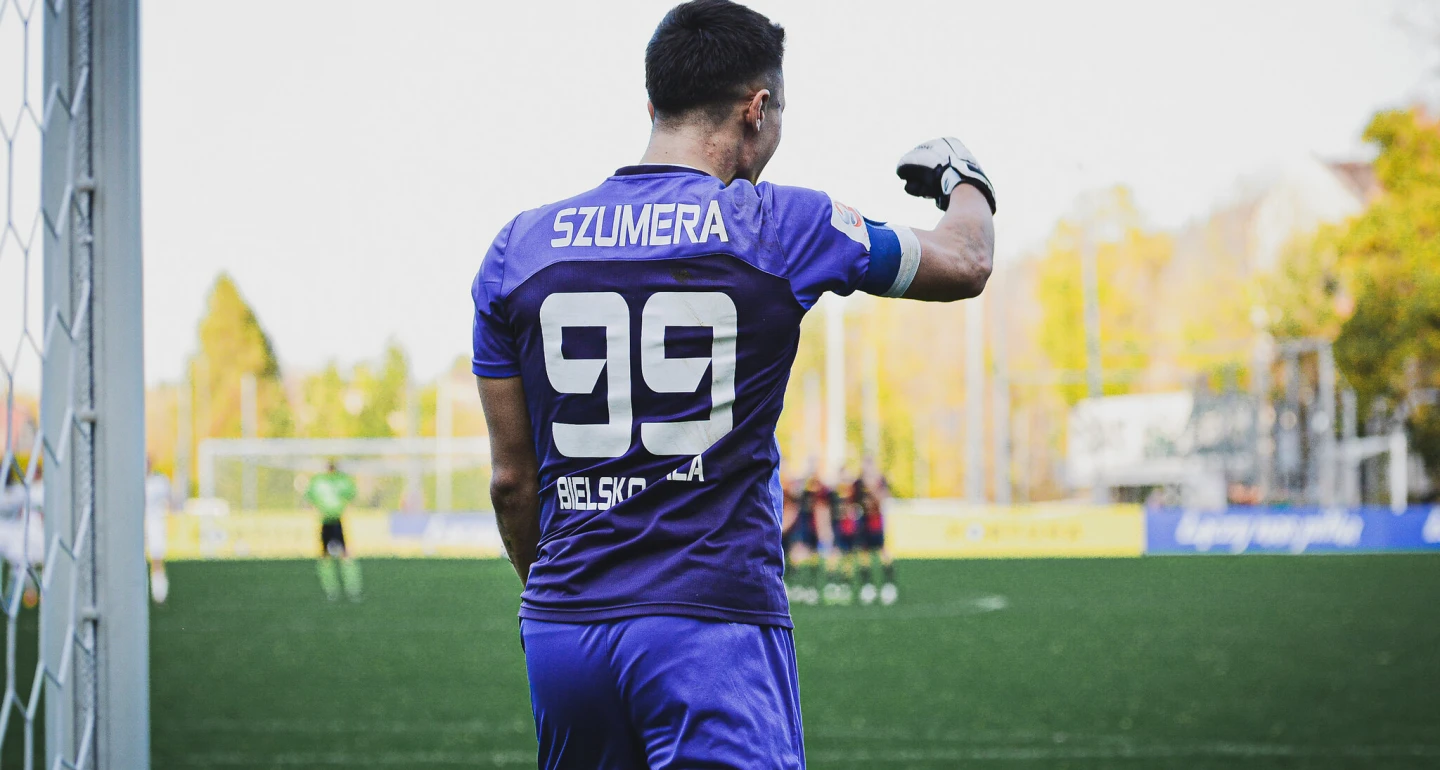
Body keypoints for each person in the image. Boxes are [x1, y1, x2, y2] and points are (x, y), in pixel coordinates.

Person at [471, 1, 994, 765]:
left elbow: (511, 483)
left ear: (653, 105)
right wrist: (966, 180)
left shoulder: (516, 249)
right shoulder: (785, 225)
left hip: (564, 637)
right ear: (758, 108)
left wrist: (557, 598)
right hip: (710, 627)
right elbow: (966, 262)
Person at [304, 460, 362, 602]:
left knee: (327, 556)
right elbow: (352, 495)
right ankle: (350, 588)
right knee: (343, 555)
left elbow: (309, 498)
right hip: (334, 519)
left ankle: (333, 590)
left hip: (328, 519)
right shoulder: (342, 480)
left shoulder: (318, 480)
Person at [855, 459, 898, 606]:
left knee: (884, 554)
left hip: (878, 524)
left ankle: (888, 585)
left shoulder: (880, 481)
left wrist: (873, 487)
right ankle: (867, 586)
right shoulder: (858, 483)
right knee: (864, 555)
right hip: (863, 524)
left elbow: (885, 498)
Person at [145, 460, 172, 604]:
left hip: (154, 523)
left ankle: (159, 594)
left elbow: (170, 501)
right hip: (137, 524)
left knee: (156, 559)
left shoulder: (160, 482)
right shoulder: (134, 482)